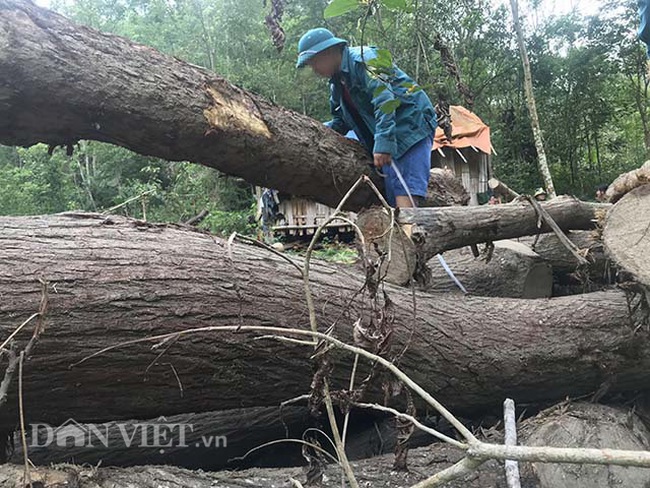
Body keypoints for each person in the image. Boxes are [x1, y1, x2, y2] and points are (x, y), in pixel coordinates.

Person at [296, 28, 437, 208]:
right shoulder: (337, 85)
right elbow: (340, 122)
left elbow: (384, 99)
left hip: (410, 126)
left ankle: (408, 232)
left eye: (314, 61)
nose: (314, 69)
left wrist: (383, 142)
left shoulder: (364, 59)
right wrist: (311, 131)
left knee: (405, 193)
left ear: (330, 51)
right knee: (392, 195)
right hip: (386, 133)